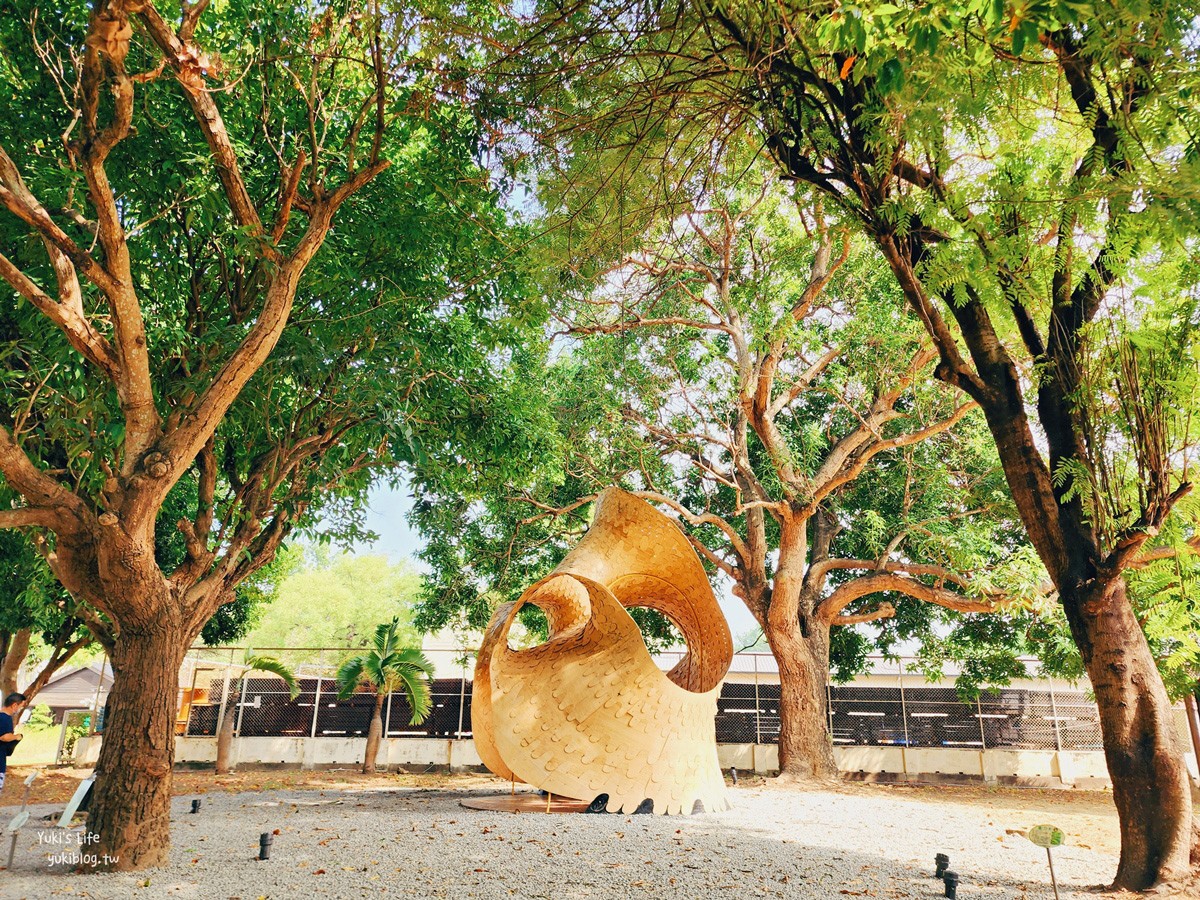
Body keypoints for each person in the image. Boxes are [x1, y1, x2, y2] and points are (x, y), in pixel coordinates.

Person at [0, 691, 28, 794]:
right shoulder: (5, 718)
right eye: (21, 706)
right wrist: (17, 736)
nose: (20, 709)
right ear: (14, 705)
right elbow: (4, 737)